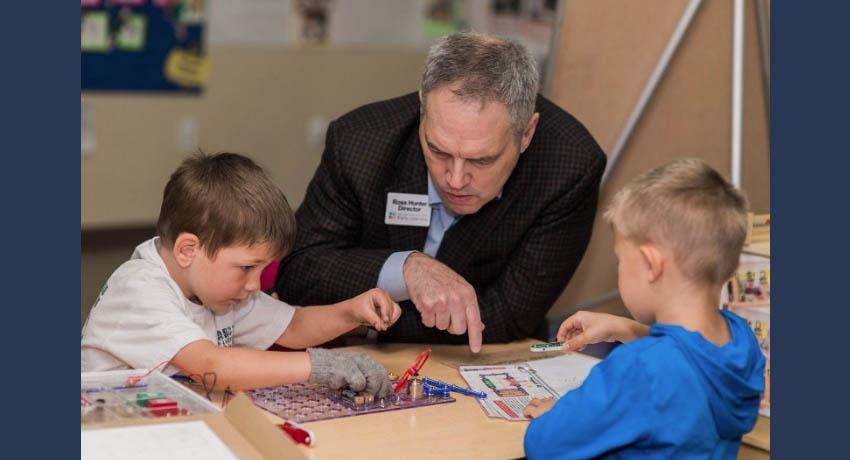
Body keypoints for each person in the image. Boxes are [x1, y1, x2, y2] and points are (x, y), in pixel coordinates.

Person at [275, 31, 606, 352]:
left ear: (527, 134)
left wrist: (356, 319)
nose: (456, 179)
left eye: (482, 160)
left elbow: (508, 316)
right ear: (423, 109)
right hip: (356, 356)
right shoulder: (360, 143)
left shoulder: (568, 167)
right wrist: (404, 269)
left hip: (485, 359)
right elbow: (299, 272)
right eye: (439, 151)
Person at [81, 152, 401, 395]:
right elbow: (212, 365)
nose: (255, 284)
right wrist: (320, 365)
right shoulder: (139, 290)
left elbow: (292, 326)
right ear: (188, 250)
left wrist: (351, 312)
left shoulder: (219, 290)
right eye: (247, 267)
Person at [522, 159, 765, 459]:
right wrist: (627, 328)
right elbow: (690, 357)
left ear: (651, 264)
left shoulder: (640, 369)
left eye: (620, 260)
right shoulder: (741, 340)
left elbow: (544, 446)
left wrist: (556, 415)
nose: (619, 270)